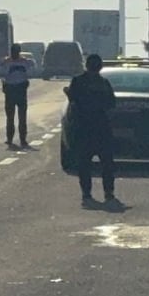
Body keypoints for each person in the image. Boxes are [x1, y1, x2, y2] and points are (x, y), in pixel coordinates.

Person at [65, 53, 117, 204]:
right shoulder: (103, 83)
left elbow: (73, 100)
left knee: (85, 163)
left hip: (84, 127)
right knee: (106, 163)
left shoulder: (78, 81)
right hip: (100, 127)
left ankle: (87, 193)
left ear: (86, 66)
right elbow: (112, 103)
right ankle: (108, 192)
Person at [0, 43, 34, 148]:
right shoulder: (6, 62)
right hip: (10, 89)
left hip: (20, 89)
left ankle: (22, 139)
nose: (14, 53)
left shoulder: (24, 61)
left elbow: (31, 70)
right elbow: (2, 73)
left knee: (22, 116)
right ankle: (10, 138)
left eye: (16, 51)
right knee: (10, 116)